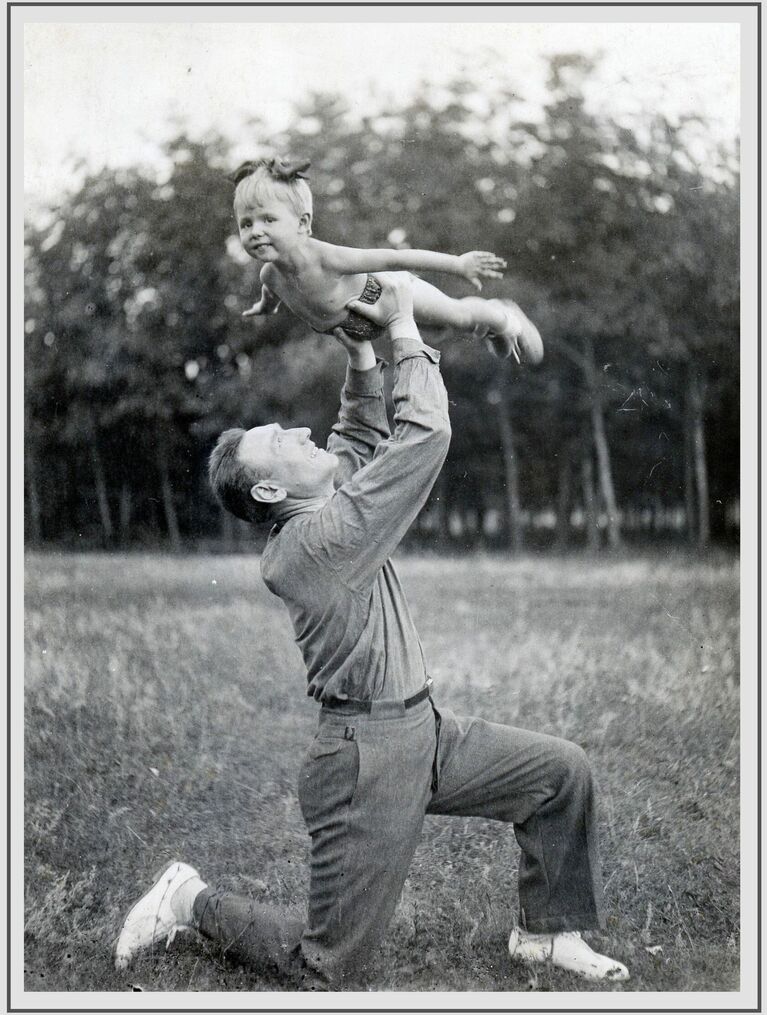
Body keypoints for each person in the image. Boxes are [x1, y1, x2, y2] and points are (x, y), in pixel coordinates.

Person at [114, 273, 627, 989]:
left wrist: (360, 358)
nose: (301, 431)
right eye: (282, 440)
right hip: (365, 760)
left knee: (557, 772)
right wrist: (403, 328)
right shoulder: (317, 542)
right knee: (327, 966)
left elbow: (353, 439)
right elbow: (424, 434)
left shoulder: (319, 509)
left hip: (422, 728)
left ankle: (546, 936)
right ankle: (187, 898)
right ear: (269, 490)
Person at [229, 156, 543, 364]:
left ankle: (503, 317)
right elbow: (271, 294)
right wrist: (265, 307)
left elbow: (395, 258)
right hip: (370, 324)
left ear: (302, 223)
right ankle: (486, 328)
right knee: (441, 330)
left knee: (455, 316)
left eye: (268, 220)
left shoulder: (327, 259)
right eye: (246, 224)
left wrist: (457, 264)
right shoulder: (270, 275)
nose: (255, 231)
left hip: (391, 293)